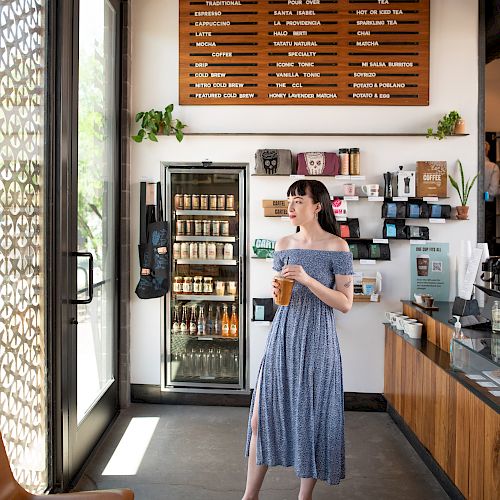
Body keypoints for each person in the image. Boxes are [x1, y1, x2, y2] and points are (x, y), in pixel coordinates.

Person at [242, 179, 354, 500]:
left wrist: (307, 279)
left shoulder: (337, 247)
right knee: (259, 420)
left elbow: (345, 303)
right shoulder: (283, 244)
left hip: (318, 337)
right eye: (288, 201)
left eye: (298, 201)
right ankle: (250, 496)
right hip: (283, 334)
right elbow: (281, 300)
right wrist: (279, 294)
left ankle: (303, 498)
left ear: (317, 206)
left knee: (312, 418)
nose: (290, 207)